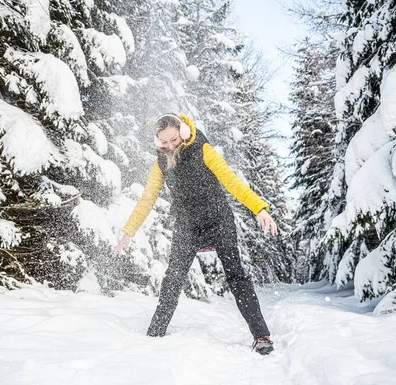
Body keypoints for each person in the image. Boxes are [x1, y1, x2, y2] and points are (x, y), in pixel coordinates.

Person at [112, 113, 278, 355]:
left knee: (236, 276)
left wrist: (259, 208)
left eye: (173, 139)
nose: (169, 146)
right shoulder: (161, 162)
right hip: (188, 224)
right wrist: (128, 231)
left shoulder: (204, 150)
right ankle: (155, 332)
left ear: (183, 132)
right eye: (163, 142)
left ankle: (261, 336)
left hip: (217, 219)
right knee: (174, 277)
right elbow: (148, 198)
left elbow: (232, 182)